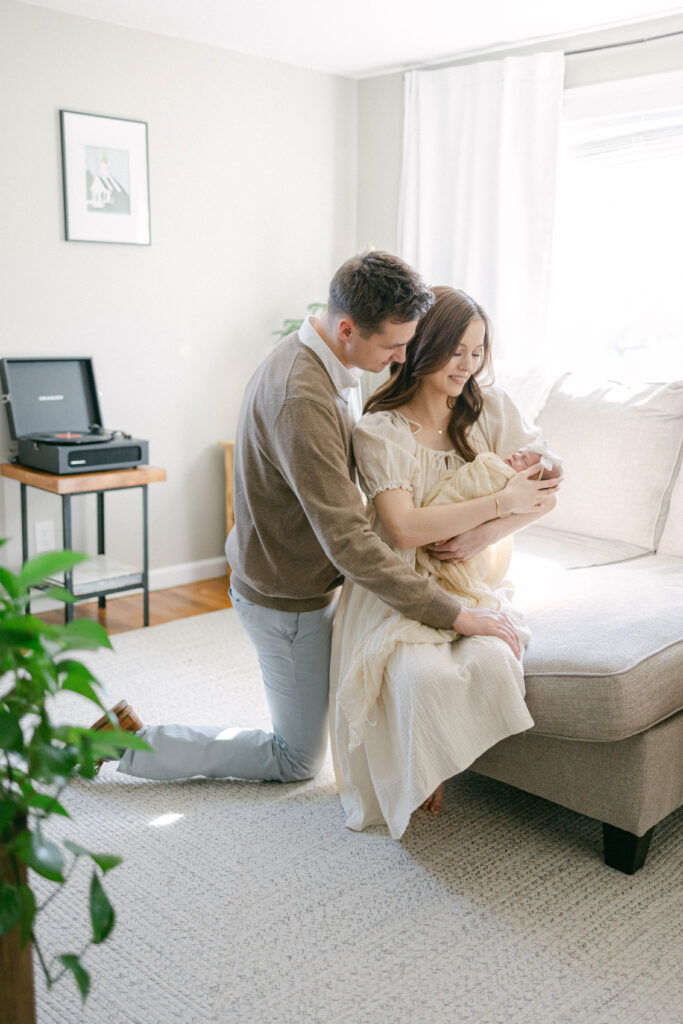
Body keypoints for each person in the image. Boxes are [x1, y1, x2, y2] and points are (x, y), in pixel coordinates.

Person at [92, 255, 551, 787]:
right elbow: (349, 540)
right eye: (393, 347)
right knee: (297, 759)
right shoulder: (302, 398)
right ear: (347, 328)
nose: (404, 357)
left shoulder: (327, 358)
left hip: (292, 570)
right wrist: (455, 614)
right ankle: (124, 743)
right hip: (286, 597)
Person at [329, 286, 562, 839]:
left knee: (493, 657)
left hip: (469, 573)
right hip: (401, 582)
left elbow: (549, 486)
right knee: (418, 676)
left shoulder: (490, 407)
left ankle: (436, 759)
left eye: (478, 351)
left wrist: (484, 532)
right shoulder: (381, 429)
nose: (468, 365)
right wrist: (502, 500)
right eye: (457, 350)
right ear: (421, 345)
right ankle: (423, 765)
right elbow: (405, 528)